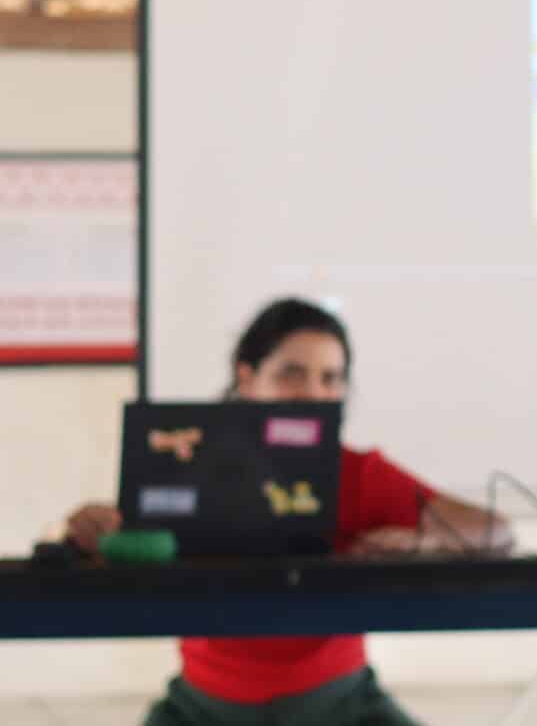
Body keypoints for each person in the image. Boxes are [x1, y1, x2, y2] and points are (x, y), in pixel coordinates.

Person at [61, 298, 514, 726]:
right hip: (203, 709)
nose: (314, 393)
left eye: (331, 378)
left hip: (344, 704)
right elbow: (114, 539)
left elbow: (496, 529)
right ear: (246, 377)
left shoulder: (358, 472)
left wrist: (424, 540)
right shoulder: (188, 460)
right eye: (292, 374)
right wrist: (92, 527)